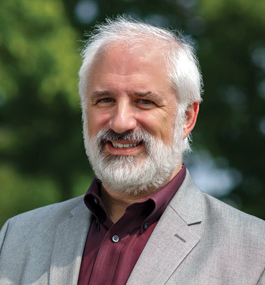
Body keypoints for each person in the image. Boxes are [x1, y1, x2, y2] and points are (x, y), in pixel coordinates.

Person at [0, 17, 265, 285]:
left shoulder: (255, 253)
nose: (120, 122)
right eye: (105, 100)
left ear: (186, 117)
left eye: (144, 102)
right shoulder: (17, 238)